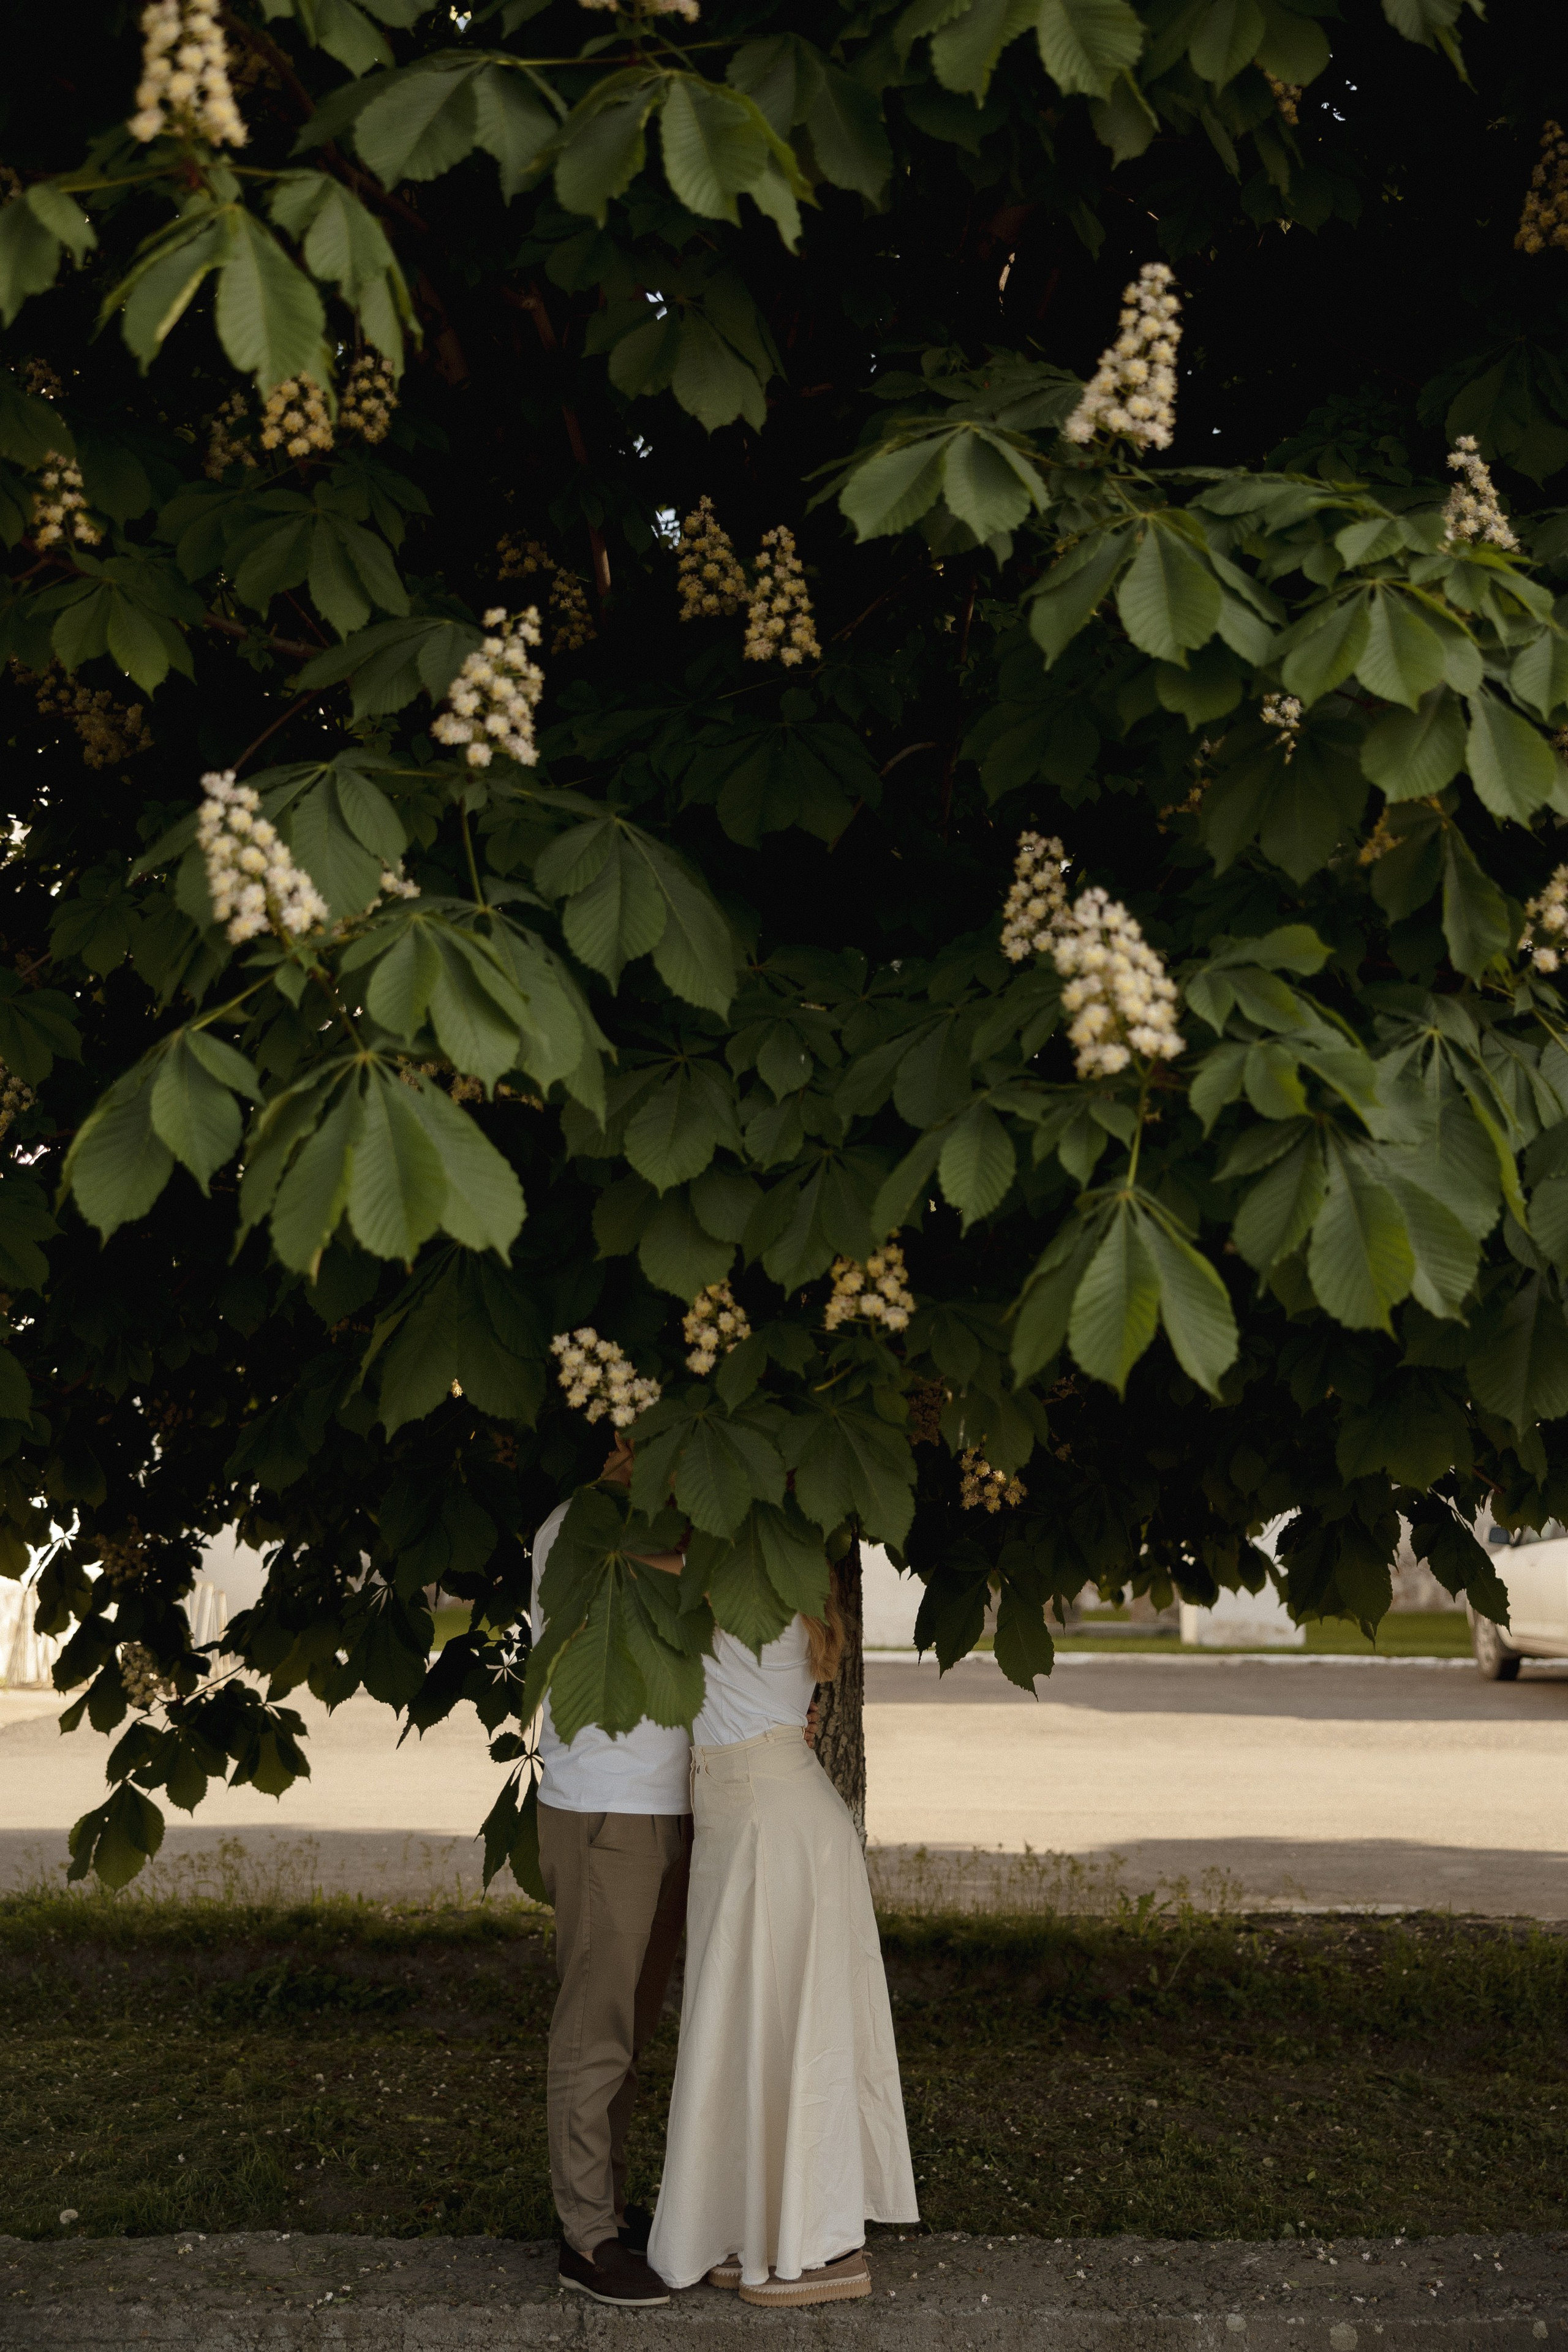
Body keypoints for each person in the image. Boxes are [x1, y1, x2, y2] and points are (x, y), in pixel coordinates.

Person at [645, 1583, 920, 2307]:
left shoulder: (735, 1593)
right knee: (754, 2027)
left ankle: (820, 2245)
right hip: (761, 1815)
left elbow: (642, 1566)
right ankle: (764, 2226)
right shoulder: (781, 1591)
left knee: (791, 2028)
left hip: (770, 1822)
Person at [530, 1441, 690, 2310]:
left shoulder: (667, 1527)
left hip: (665, 1806)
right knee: (596, 2031)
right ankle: (584, 2237)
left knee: (628, 2034)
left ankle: (609, 2211)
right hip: (604, 1807)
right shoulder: (578, 1525)